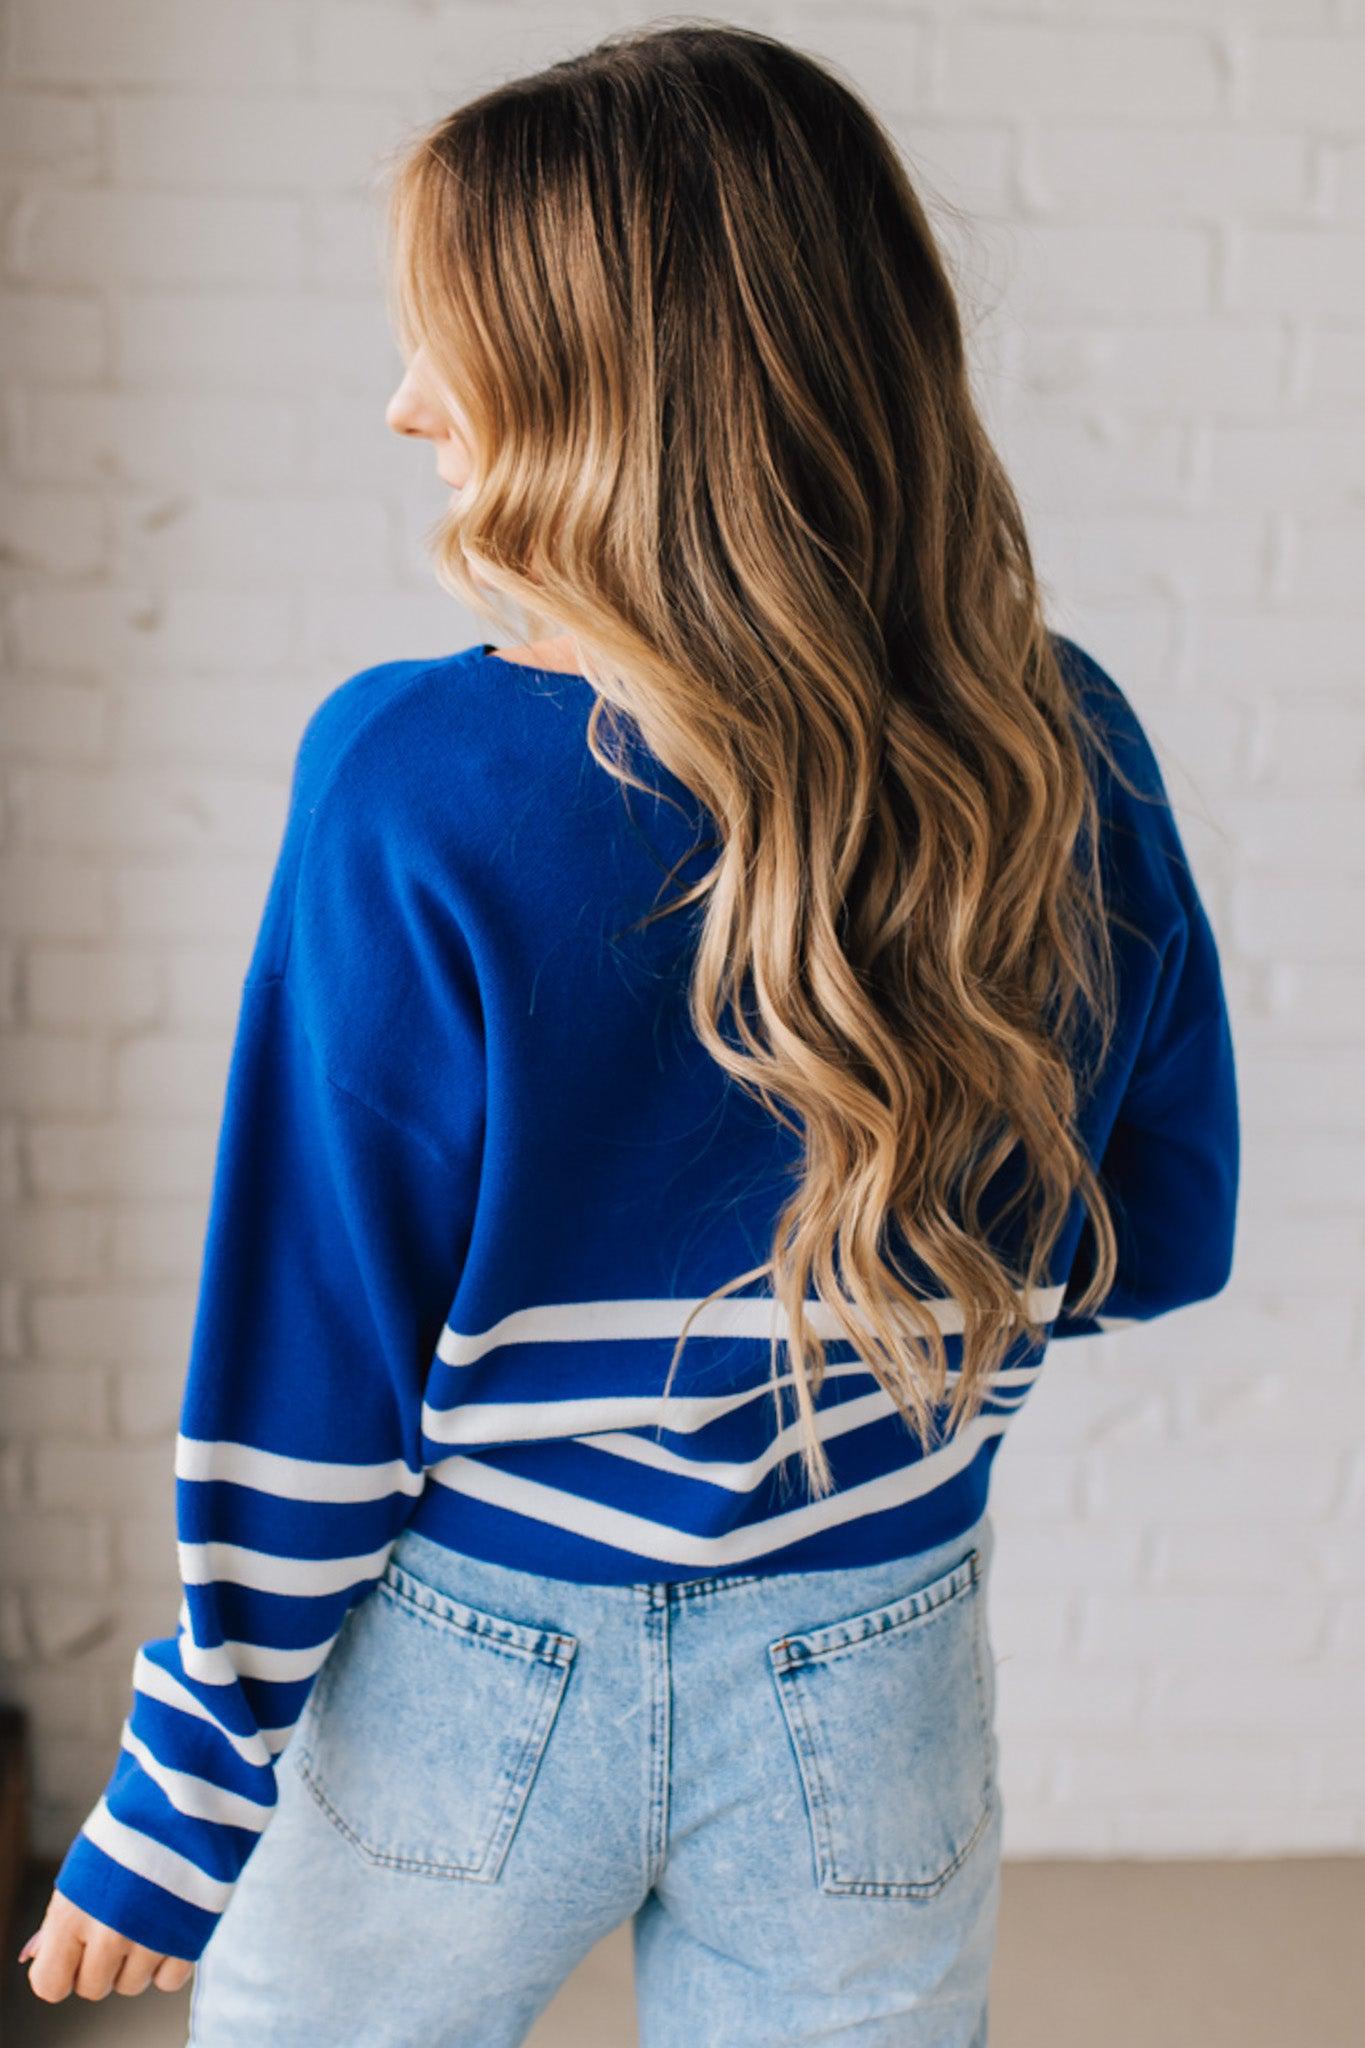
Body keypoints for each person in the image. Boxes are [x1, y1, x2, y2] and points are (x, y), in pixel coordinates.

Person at [18, 21, 1239, 2044]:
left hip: (470, 1664)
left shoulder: (409, 781)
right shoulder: (1059, 736)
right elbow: (1158, 1224)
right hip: (880, 1648)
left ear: (611, 400)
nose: (404, 406)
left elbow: (311, 1347)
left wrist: (182, 1790)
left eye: (451, 348)